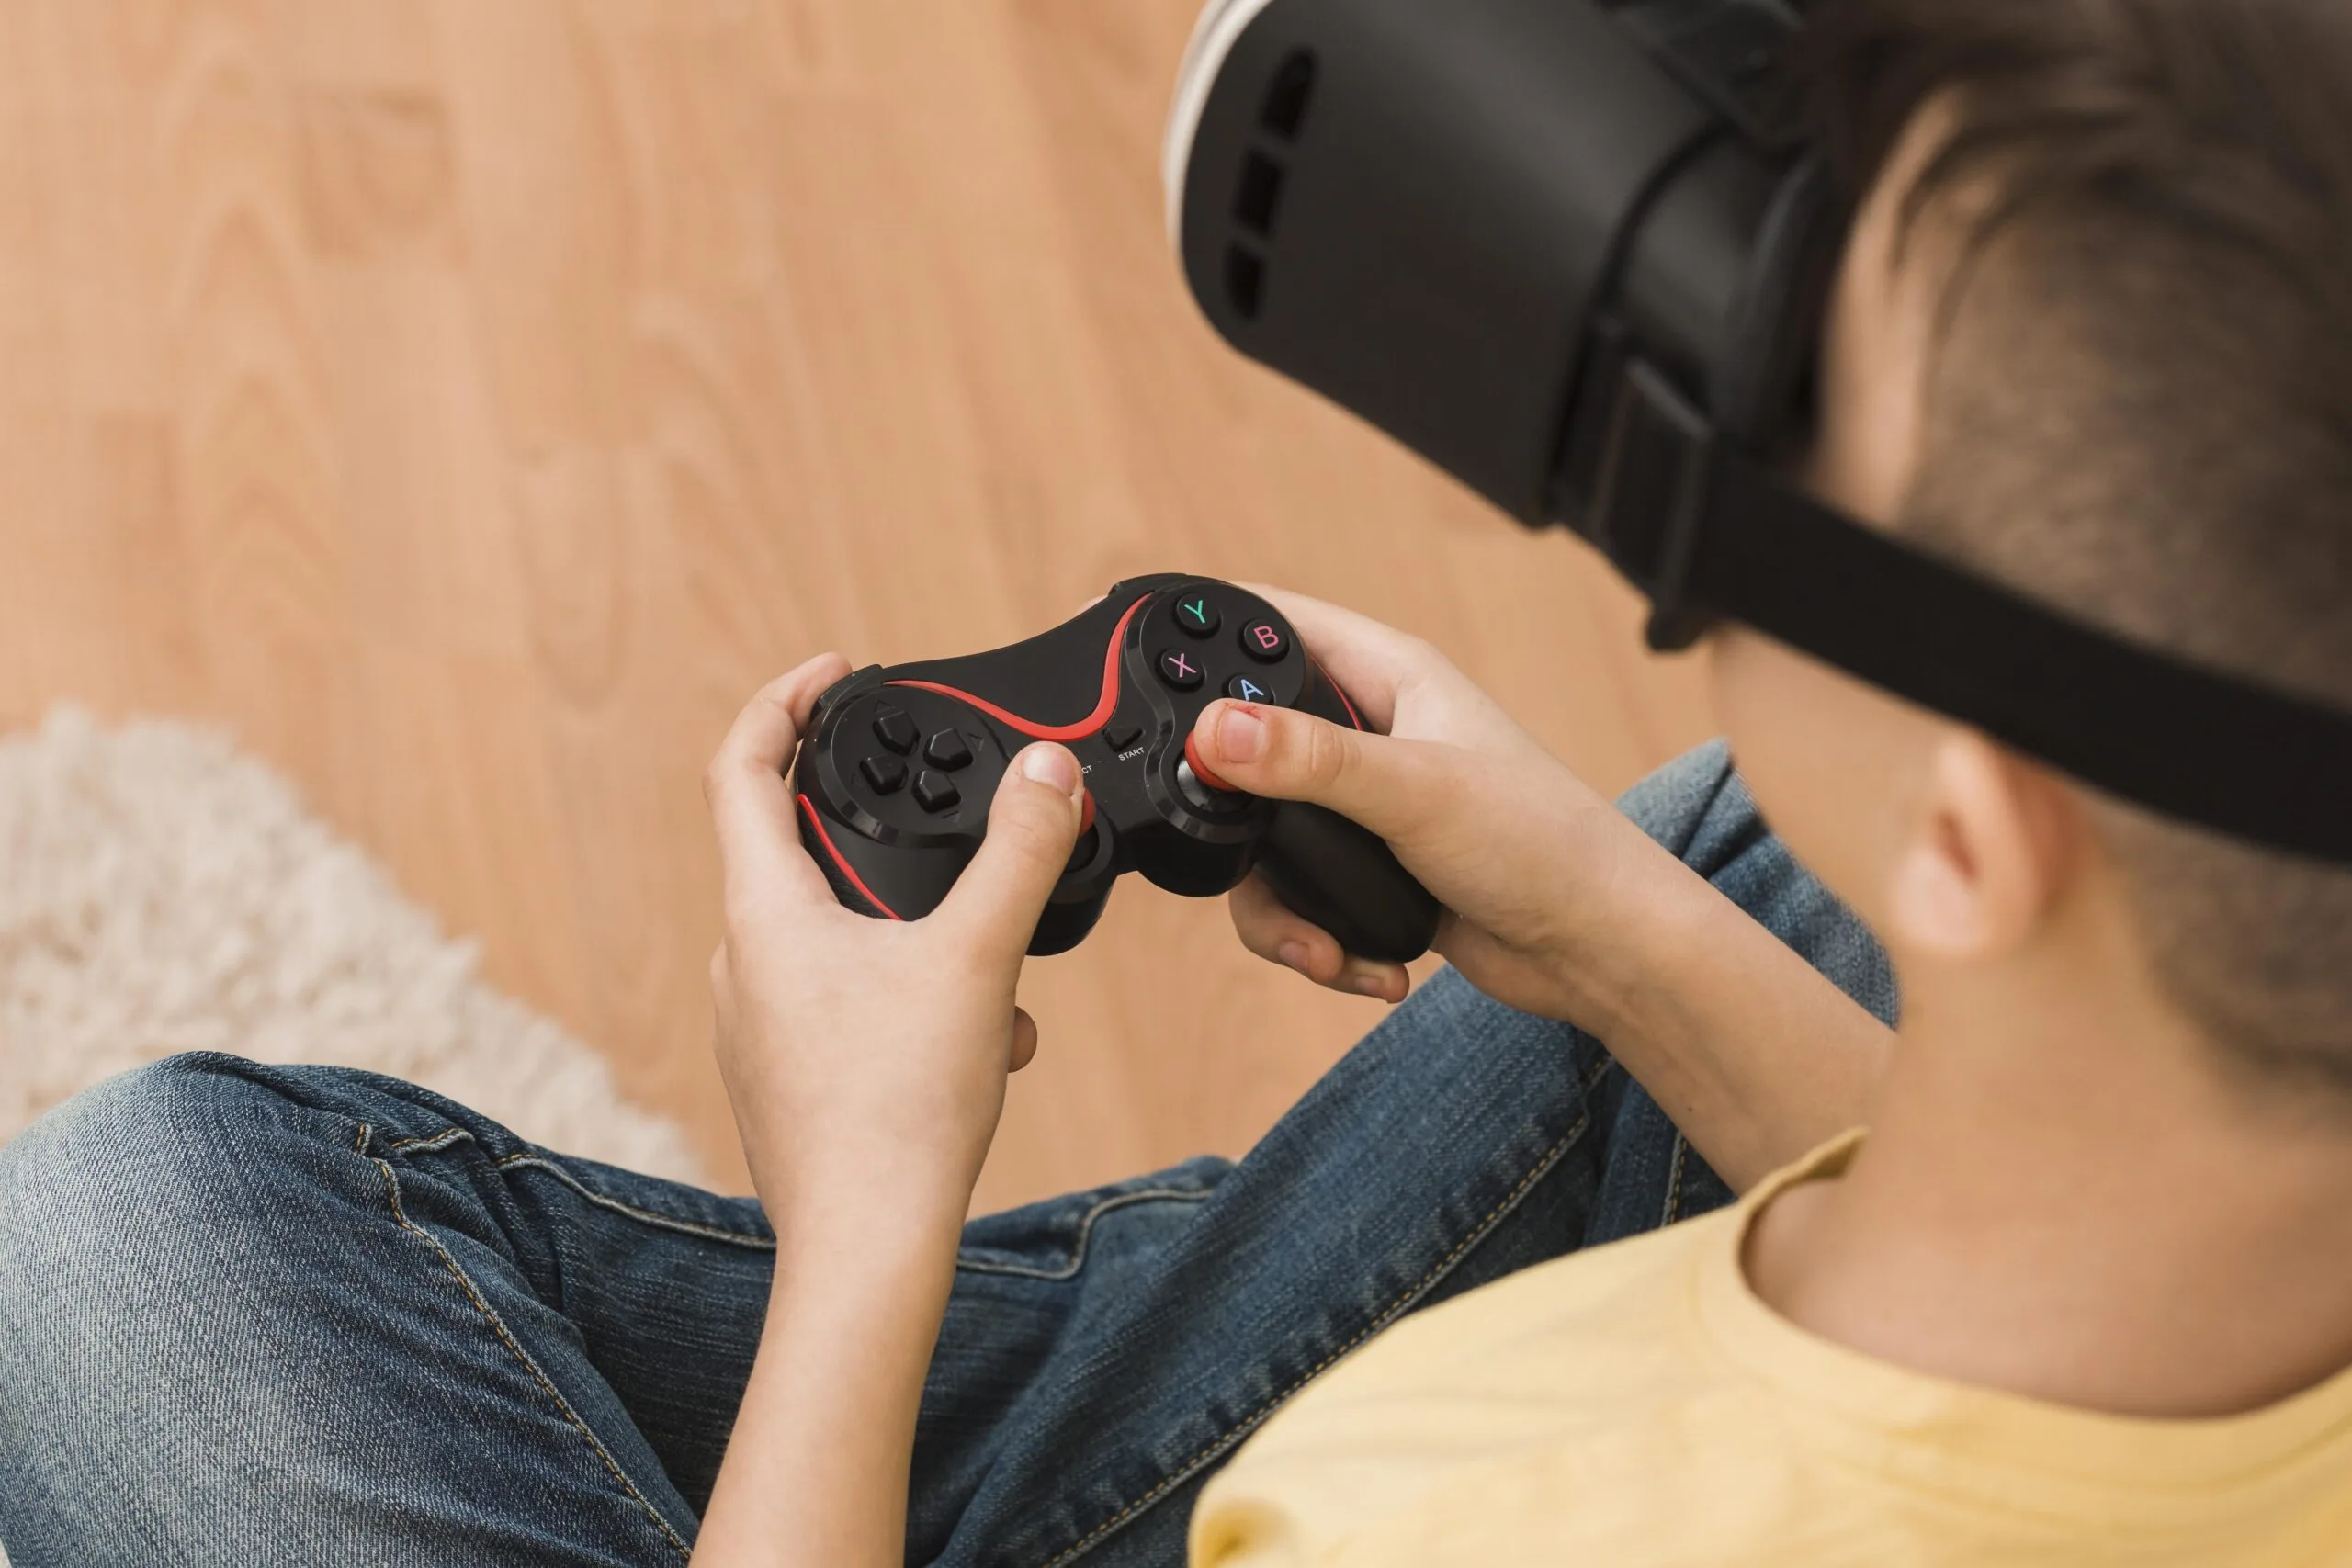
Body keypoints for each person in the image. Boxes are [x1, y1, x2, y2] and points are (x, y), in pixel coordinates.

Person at [4, 0, 2349, 1562]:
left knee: (120, 1253)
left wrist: (862, 1224)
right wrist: (1613, 928)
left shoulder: (1424, 1520)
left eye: (1790, 413)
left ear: (1972, 823)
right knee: (1753, 880)